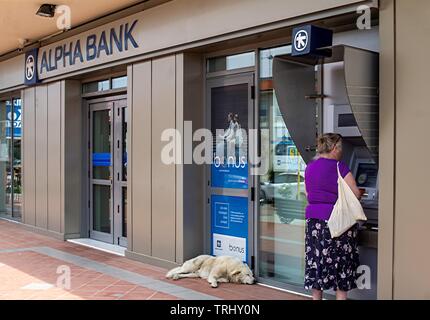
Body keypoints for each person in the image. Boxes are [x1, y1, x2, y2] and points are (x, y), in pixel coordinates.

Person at [304, 133, 363, 300]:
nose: (342, 151)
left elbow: (309, 193)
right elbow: (355, 193)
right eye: (341, 147)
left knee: (317, 262)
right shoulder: (340, 167)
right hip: (337, 222)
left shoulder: (310, 167)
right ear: (334, 148)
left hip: (314, 222)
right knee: (340, 266)